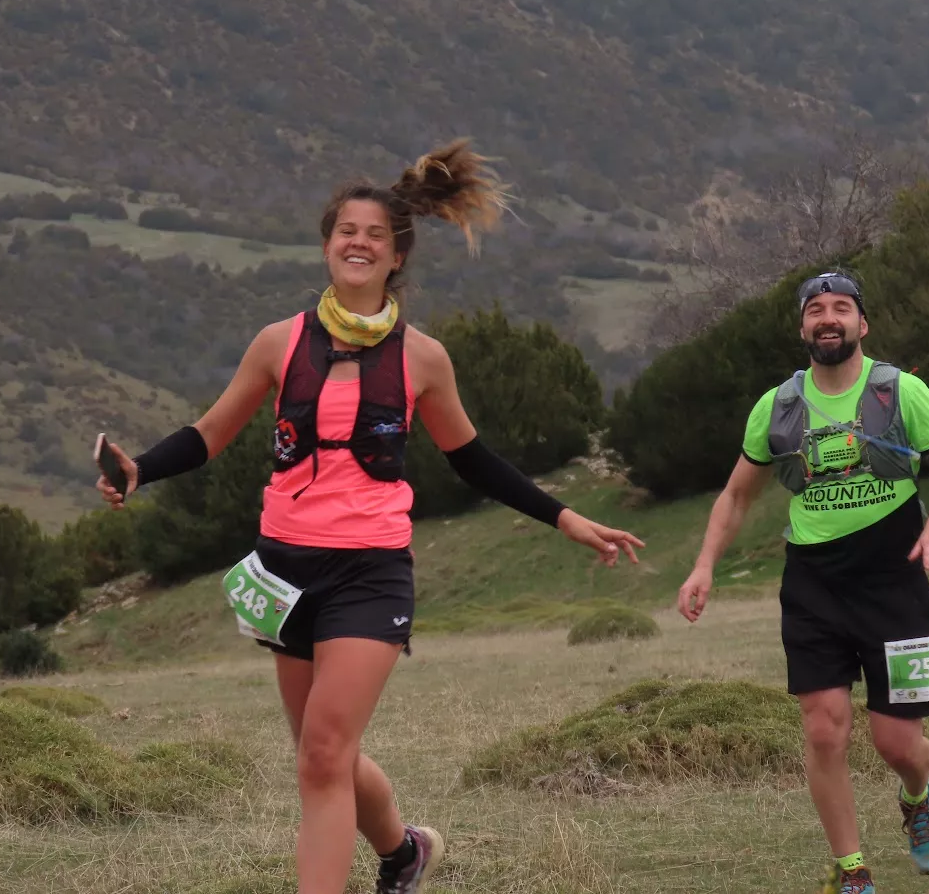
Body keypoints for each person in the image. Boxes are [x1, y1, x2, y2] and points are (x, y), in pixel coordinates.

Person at [94, 138, 646, 894]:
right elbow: (209, 433)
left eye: (375, 235)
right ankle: (404, 850)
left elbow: (474, 460)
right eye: (346, 231)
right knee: (327, 753)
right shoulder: (278, 344)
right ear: (327, 247)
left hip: (370, 572)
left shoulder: (423, 359)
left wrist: (566, 517)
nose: (358, 242)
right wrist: (138, 470)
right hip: (284, 569)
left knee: (322, 755)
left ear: (396, 259)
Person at [676, 269, 929, 894]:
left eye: (841, 307)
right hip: (814, 582)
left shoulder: (901, 391)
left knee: (897, 744)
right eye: (815, 309)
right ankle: (851, 870)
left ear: (863, 324)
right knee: (823, 725)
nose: (827, 317)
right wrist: (703, 565)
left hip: (895, 577)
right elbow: (735, 495)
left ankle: (917, 797)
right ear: (802, 327)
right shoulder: (777, 407)